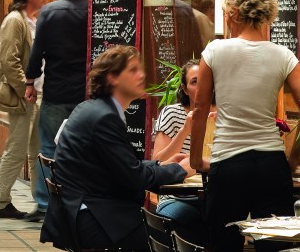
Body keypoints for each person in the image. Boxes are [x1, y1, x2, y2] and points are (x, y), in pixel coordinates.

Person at [189, 0, 300, 251]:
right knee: (274, 245)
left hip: (228, 164)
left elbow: (199, 109)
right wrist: (292, 159)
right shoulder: (284, 56)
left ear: (234, 13)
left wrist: (196, 158)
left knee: (224, 244)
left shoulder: (214, 51)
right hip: (271, 165)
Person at [41, 46, 189, 251]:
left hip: (80, 211)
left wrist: (161, 164)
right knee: (175, 239)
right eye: (133, 70)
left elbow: (124, 167)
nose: (142, 75)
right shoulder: (105, 117)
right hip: (95, 217)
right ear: (112, 78)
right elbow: (135, 177)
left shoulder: (92, 108)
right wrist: (182, 170)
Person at [24, 0, 89, 222]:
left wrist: (31, 81)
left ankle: (45, 203)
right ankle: (81, 201)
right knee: (84, 147)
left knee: (50, 147)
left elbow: (37, 52)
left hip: (56, 91)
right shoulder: (93, 9)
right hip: (86, 92)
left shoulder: (49, 12)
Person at [0, 0, 47, 219]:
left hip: (37, 93)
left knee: (37, 150)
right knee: (17, 148)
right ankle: (0, 202)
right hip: (24, 95)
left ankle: (41, 201)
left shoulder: (33, 20)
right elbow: (9, 59)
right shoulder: (14, 21)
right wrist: (26, 86)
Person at [150, 59, 211, 245]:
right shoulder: (172, 113)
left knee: (225, 220)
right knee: (192, 219)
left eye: (205, 80)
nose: (201, 86)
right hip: (177, 197)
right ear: (185, 89)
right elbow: (158, 163)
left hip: (215, 195)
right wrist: (185, 129)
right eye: (194, 82)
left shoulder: (223, 114)